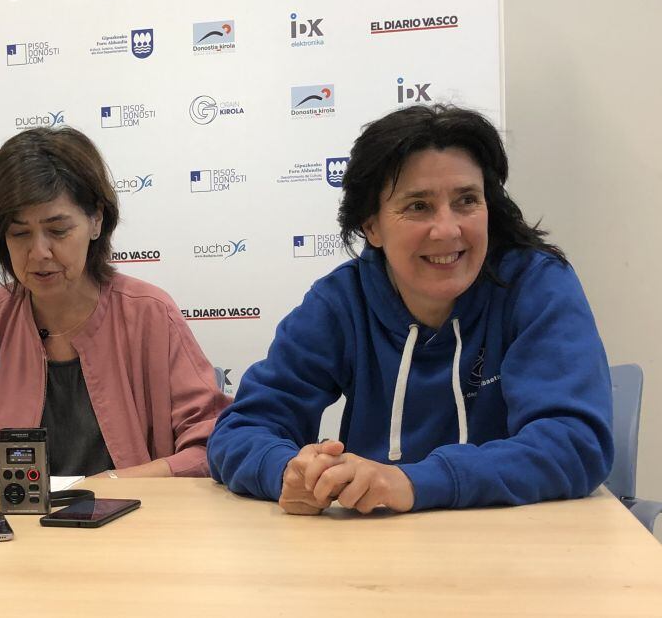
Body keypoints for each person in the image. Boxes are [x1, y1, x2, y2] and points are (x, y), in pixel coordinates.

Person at [208, 104, 614, 514]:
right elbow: (241, 430)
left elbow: (575, 442)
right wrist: (289, 473)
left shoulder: (536, 284)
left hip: (517, 546)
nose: (448, 229)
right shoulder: (342, 301)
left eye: (467, 200)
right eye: (418, 206)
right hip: (375, 549)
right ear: (371, 226)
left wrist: (412, 482)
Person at [0, 126, 229, 478]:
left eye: (58, 231)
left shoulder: (149, 314)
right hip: (9, 528)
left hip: (131, 523)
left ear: (96, 221)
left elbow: (212, 444)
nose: (39, 252)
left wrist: (116, 484)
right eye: (20, 233)